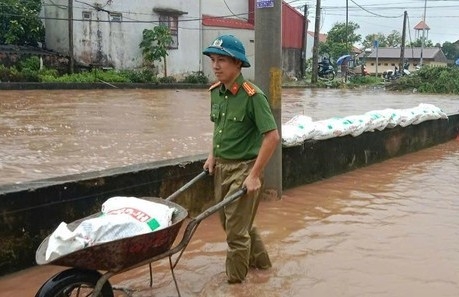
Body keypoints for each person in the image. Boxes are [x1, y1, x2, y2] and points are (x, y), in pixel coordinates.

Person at [202, 34, 280, 284]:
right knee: (234, 225)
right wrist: (212, 155)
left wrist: (254, 175)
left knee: (235, 234)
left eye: (222, 60)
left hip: (244, 169)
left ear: (237, 64)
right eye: (213, 60)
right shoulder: (216, 93)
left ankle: (235, 284)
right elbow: (219, 127)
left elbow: (272, 137)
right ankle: (264, 266)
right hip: (222, 168)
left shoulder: (252, 96)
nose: (215, 66)